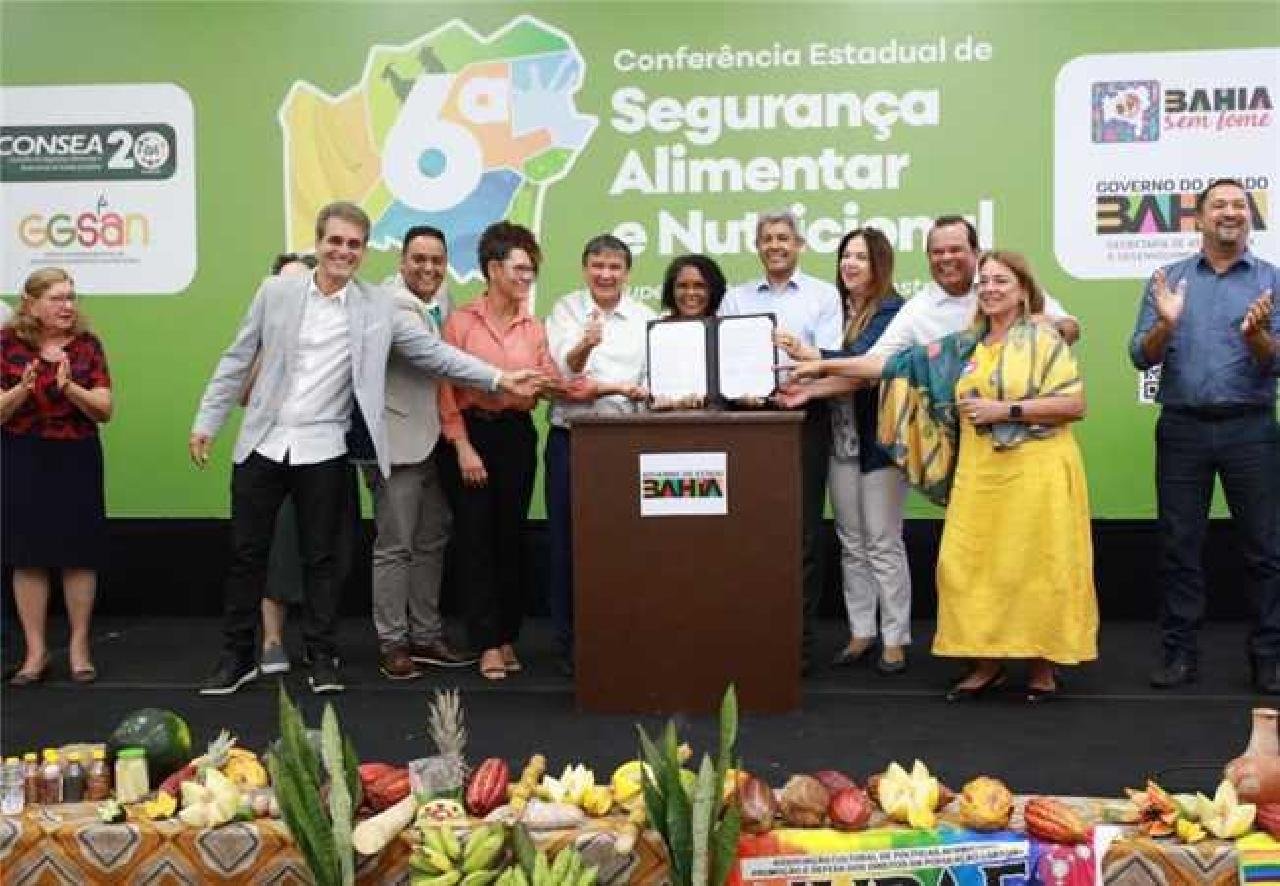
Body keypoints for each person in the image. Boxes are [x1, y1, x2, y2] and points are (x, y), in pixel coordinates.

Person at [190, 202, 543, 696]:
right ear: (318, 244)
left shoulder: (376, 306)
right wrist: (208, 419)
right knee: (247, 556)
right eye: (335, 241)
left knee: (322, 560)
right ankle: (236, 657)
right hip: (264, 443)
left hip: (324, 446)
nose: (343, 252)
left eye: (354, 244)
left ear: (363, 250)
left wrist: (499, 376)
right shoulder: (276, 292)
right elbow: (237, 355)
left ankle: (322, 658)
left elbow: (433, 353)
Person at [790, 250, 1097, 702]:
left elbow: (1074, 404)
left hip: (1039, 472)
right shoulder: (963, 345)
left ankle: (1041, 667)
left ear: (1023, 290)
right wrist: (820, 365)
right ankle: (986, 662)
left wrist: (1005, 410)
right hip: (979, 474)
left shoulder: (1042, 337)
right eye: (985, 283)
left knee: (1038, 565)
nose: (990, 289)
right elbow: (889, 366)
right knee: (969, 567)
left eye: (1001, 282)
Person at [438, 221, 628, 681]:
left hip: (517, 437)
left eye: (531, 271)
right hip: (471, 438)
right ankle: (484, 643)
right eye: (520, 269)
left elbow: (553, 385)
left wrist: (613, 387)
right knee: (477, 541)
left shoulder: (533, 326)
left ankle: (506, 639)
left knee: (511, 540)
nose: (527, 279)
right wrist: (462, 446)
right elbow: (444, 389)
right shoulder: (462, 322)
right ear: (493, 269)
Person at [1129, 177, 1280, 692]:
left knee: (1265, 549)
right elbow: (1139, 355)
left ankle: (1269, 658)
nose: (1230, 212)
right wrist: (1166, 325)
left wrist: (1260, 339)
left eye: (1239, 204)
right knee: (1179, 546)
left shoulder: (1270, 280)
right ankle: (1179, 655)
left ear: (1249, 217)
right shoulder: (1168, 279)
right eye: (1219, 204)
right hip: (1183, 430)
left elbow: (1276, 362)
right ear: (1200, 217)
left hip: (1251, 429)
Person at [776, 228, 910, 674]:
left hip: (879, 444)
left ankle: (894, 638)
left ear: (880, 265)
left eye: (861, 257)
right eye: (845, 256)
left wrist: (810, 367)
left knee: (882, 541)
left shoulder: (893, 309)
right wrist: (808, 386)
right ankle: (860, 632)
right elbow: (840, 376)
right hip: (840, 441)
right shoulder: (837, 307)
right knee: (851, 542)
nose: (850, 265)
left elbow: (865, 372)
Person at [720, 211, 842, 674]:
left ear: (800, 245)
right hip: (748, 420)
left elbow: (828, 359)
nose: (775, 245)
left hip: (802, 417)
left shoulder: (823, 296)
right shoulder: (735, 297)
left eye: (784, 238)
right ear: (758, 246)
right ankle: (754, 634)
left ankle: (799, 645)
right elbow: (727, 357)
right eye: (767, 239)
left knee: (803, 533)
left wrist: (799, 364)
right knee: (750, 529)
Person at [364, 225, 474, 681]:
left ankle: (426, 634)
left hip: (434, 441)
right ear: (401, 261)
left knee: (432, 537)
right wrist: (502, 377)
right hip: (397, 442)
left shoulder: (441, 298)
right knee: (395, 546)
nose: (429, 268)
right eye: (419, 260)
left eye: (437, 260)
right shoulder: (387, 305)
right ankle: (393, 642)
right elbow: (433, 358)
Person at [544, 235, 652, 675]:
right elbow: (566, 378)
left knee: (627, 543)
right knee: (566, 543)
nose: (605, 275)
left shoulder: (646, 318)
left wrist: (632, 393)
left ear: (627, 273)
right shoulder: (564, 309)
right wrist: (584, 345)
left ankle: (625, 634)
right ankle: (570, 643)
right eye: (597, 266)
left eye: (614, 267)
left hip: (627, 442)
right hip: (571, 440)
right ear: (584, 268)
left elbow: (650, 381)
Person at [1, 268, 113, 685]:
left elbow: (105, 408)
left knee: (78, 553)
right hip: (21, 453)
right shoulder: (7, 345)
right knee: (27, 554)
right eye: (57, 298)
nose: (68, 306)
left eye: (71, 297)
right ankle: (35, 652)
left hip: (76, 454)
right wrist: (21, 390)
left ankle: (80, 648)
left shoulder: (87, 347)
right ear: (31, 304)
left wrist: (70, 389)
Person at [868, 216, 1079, 359]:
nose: (946, 258)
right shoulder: (918, 309)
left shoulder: (1001, 288)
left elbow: (1070, 327)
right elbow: (877, 360)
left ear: (976, 252)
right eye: (938, 252)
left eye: (955, 250)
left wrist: (1045, 333)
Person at [254, 251, 317, 676]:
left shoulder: (333, 332)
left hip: (322, 455)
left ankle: (318, 641)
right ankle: (272, 640)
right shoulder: (261, 333)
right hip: (271, 458)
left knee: (323, 551)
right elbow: (242, 394)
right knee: (275, 552)